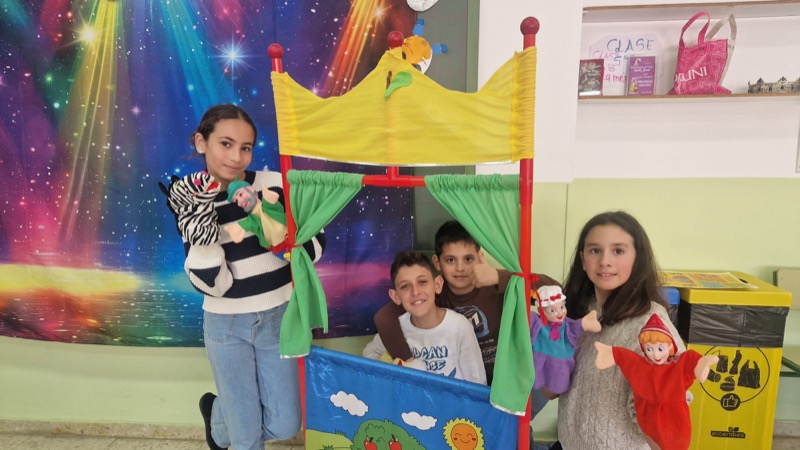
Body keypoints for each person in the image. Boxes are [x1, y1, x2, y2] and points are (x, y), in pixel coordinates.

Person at [162, 104, 326, 450]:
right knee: (246, 438)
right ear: (201, 142)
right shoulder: (191, 201)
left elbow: (315, 244)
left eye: (246, 147)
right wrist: (203, 230)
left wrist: (283, 238)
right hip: (226, 325)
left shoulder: (274, 183)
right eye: (226, 144)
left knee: (285, 423)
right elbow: (214, 285)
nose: (237, 156)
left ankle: (217, 417)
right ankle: (234, 426)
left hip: (280, 317)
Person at [373, 221, 558, 409]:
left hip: (512, 379)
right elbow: (383, 318)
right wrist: (407, 361)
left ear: (480, 257)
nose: (460, 268)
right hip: (473, 385)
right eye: (450, 260)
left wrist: (498, 277)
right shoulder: (433, 291)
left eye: (468, 259)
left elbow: (556, 291)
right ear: (437, 263)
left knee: (521, 422)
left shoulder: (497, 286)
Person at [556, 210, 682, 450]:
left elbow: (665, 435)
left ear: (638, 258)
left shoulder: (651, 327)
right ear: (583, 259)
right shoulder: (578, 312)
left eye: (618, 251)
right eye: (595, 250)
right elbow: (552, 389)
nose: (605, 261)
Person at [594, 313, 719, 450]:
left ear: (669, 346)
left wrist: (701, 364)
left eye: (660, 348)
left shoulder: (676, 367)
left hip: (675, 416)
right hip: (649, 416)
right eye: (649, 349)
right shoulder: (643, 366)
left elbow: (689, 359)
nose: (656, 354)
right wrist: (611, 353)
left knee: (679, 443)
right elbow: (626, 357)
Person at [363, 251, 487, 385]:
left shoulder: (459, 327)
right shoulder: (395, 330)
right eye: (405, 286)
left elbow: (477, 382)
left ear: (437, 285)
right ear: (396, 296)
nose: (415, 292)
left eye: (422, 282)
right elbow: (369, 354)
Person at [530, 284, 601, 395]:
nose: (559, 313)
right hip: (541, 353)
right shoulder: (538, 322)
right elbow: (525, 318)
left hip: (560, 356)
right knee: (537, 374)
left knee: (559, 379)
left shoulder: (566, 323)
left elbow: (574, 328)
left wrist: (584, 324)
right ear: (541, 310)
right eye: (552, 310)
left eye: (562, 307)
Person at [223, 179, 290, 260]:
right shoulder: (252, 219)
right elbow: (247, 224)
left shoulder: (267, 205)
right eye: (236, 201)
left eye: (240, 194)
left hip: (292, 238)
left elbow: (273, 205)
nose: (239, 202)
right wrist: (238, 228)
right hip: (280, 250)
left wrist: (268, 197)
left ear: (250, 189)